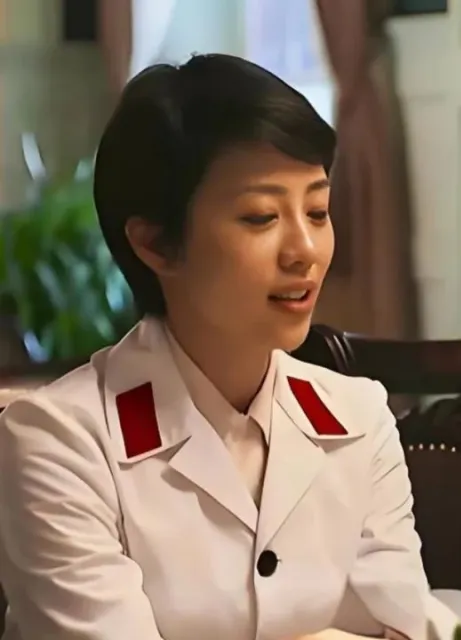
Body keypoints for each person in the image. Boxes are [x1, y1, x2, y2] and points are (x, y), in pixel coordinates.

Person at [0, 54, 433, 640]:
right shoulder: (59, 443)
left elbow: (407, 626)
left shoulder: (360, 417)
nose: (305, 250)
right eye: (260, 217)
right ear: (156, 244)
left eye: (317, 211)